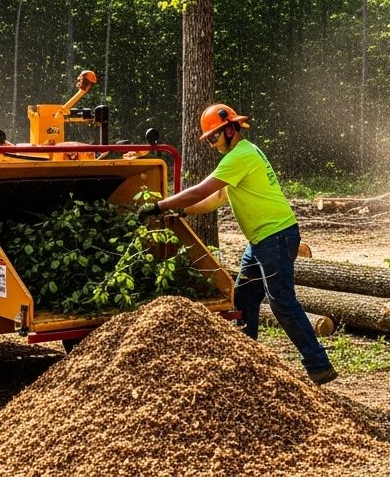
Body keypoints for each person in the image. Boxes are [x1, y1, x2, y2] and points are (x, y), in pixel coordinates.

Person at [140, 104, 337, 385]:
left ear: (230, 129)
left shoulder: (240, 156)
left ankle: (319, 365)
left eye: (213, 137)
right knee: (243, 299)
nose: (211, 143)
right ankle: (246, 363)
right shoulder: (241, 155)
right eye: (208, 139)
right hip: (260, 242)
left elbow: (200, 190)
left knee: (282, 302)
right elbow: (216, 198)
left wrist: (159, 205)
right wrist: (183, 211)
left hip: (276, 237)